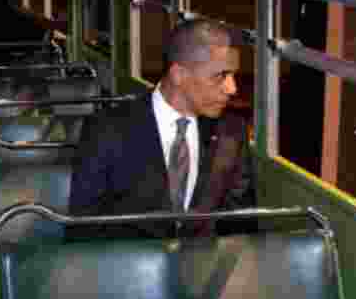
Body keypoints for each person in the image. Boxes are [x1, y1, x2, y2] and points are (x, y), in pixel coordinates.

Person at [68, 19, 255, 237]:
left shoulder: (232, 132)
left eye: (233, 75)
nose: (232, 88)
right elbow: (84, 227)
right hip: (129, 265)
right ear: (179, 75)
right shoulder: (108, 128)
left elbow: (240, 223)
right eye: (220, 76)